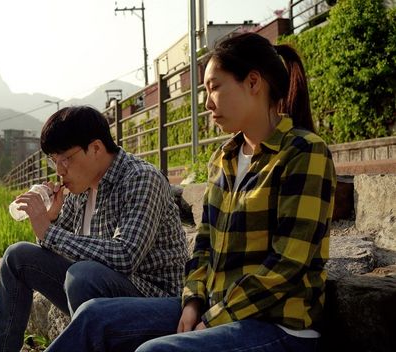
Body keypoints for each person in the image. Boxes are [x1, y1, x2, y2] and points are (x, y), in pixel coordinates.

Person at [45, 32, 336, 352]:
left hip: (280, 326)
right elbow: (203, 249)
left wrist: (213, 318)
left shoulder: (303, 153)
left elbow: (287, 266)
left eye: (214, 87)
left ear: (253, 82)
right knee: (93, 316)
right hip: (214, 311)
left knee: (154, 351)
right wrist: (192, 303)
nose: (207, 102)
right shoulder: (222, 160)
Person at [0, 105, 189, 352]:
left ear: (95, 148)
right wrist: (52, 220)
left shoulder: (141, 178)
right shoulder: (79, 189)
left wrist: (49, 232)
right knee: (18, 257)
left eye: (65, 159)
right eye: (53, 161)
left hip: (154, 303)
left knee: (83, 275)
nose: (59, 170)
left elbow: (125, 256)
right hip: (101, 296)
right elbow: (61, 248)